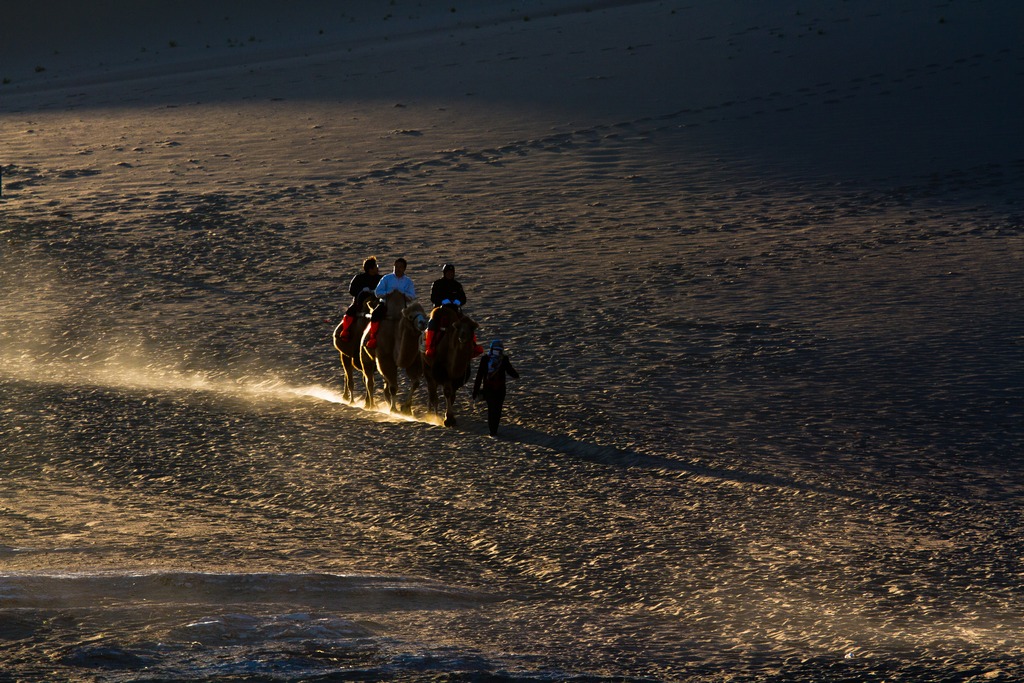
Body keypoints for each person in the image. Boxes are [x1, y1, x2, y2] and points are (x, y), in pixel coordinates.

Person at [424, 263, 483, 358]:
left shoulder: (457, 285)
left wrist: (458, 301)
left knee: (468, 324)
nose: (450, 274)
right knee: (432, 323)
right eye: (448, 272)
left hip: (455, 310)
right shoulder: (437, 284)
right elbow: (433, 297)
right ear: (444, 273)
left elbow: (463, 298)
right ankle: (430, 347)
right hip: (440, 309)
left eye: (452, 272)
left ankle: (474, 346)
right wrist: (442, 301)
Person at [366, 257, 417, 349]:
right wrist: (387, 293)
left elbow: (412, 296)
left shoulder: (408, 281)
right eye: (396, 266)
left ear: (404, 269)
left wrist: (403, 294)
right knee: (375, 314)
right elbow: (377, 292)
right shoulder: (386, 278)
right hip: (386, 304)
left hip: (402, 306)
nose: (398, 269)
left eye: (400, 267)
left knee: (416, 319)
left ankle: (415, 341)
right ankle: (373, 337)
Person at [472, 339, 520, 436]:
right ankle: (494, 430)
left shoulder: (485, 359)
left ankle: (492, 431)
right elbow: (511, 371)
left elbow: (479, 376)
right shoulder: (503, 359)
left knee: (491, 410)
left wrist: (475, 391)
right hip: (500, 390)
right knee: (497, 410)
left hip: (489, 390)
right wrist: (516, 375)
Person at [337, 256, 381, 342]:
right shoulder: (359, 278)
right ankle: (345, 331)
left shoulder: (381, 279)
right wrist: (362, 290)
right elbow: (352, 291)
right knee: (350, 312)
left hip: (376, 301)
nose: (377, 268)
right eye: (376, 266)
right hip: (360, 302)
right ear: (370, 269)